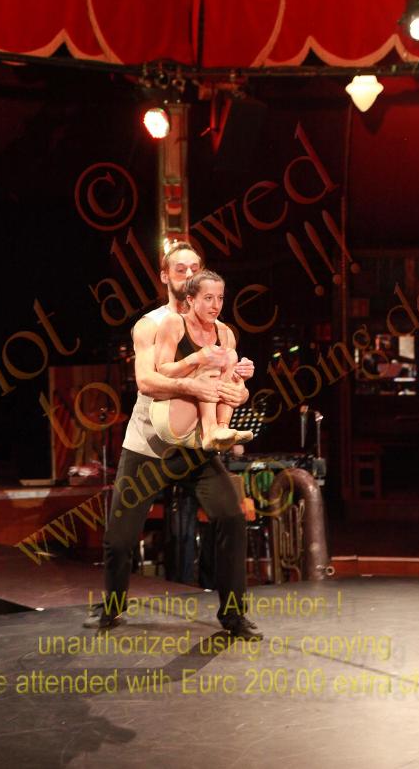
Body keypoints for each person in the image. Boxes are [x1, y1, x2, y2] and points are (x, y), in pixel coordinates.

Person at [84, 241, 262, 640]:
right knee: (120, 539)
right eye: (180, 269)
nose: (188, 275)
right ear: (165, 276)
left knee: (231, 518)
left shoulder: (220, 330)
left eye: (195, 268)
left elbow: (231, 383)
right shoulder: (152, 325)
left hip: (195, 448)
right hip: (149, 447)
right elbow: (147, 381)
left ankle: (234, 615)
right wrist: (194, 384)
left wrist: (238, 392)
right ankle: (112, 606)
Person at [149, 269, 254, 452]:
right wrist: (197, 358)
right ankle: (210, 429)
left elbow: (227, 380)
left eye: (220, 298)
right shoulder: (174, 322)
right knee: (213, 359)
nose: (216, 305)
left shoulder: (225, 332)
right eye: (208, 298)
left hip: (198, 420)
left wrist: (242, 377)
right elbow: (162, 371)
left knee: (230, 357)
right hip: (171, 414)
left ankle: (221, 427)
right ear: (190, 300)